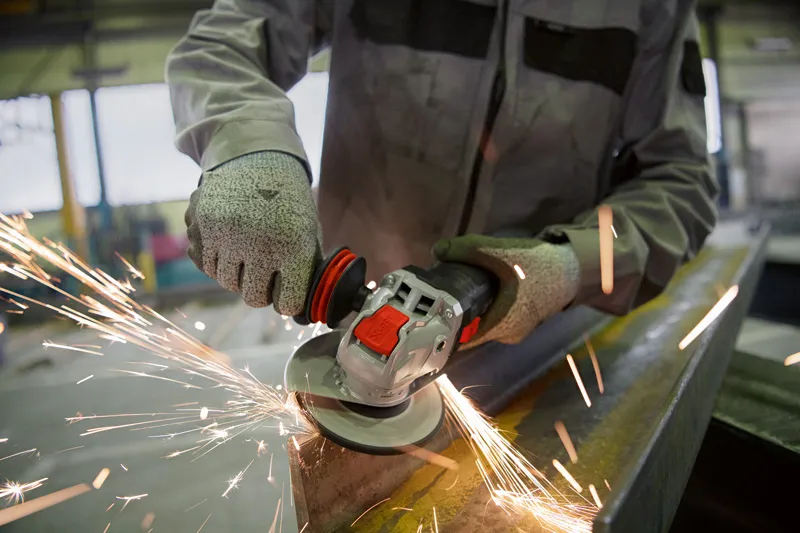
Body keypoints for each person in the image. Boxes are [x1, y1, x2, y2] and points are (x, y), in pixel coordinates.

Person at [166, 0, 718, 347]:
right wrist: (249, 152)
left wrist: (570, 266)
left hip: (536, 338)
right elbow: (221, 46)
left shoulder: (655, 9)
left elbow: (680, 182)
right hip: (353, 328)